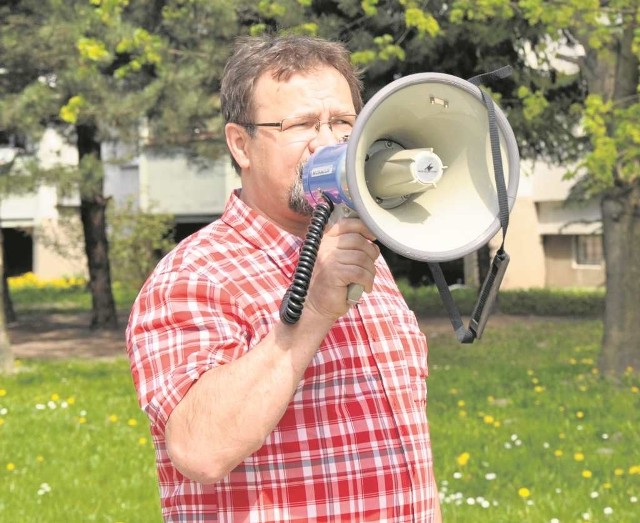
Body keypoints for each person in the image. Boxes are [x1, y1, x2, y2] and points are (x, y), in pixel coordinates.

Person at [126, 34, 441, 522]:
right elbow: (199, 450)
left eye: (342, 122)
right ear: (241, 144)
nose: (329, 141)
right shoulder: (193, 277)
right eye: (301, 124)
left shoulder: (361, 254)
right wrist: (311, 312)